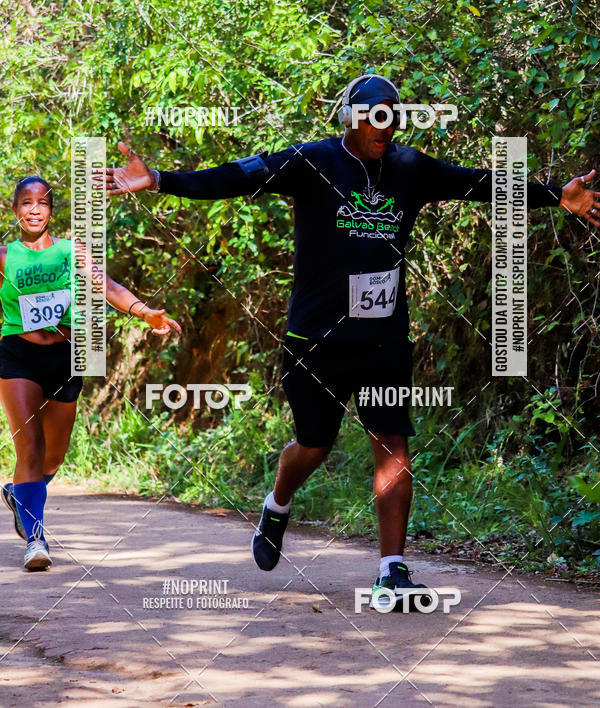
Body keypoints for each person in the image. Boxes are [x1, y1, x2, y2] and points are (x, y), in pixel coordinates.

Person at [99, 74, 599, 610]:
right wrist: (159, 180)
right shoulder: (313, 161)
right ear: (351, 118)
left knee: (392, 445)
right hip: (314, 340)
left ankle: (392, 570)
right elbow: (239, 176)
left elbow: (478, 183)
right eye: (375, 113)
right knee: (313, 445)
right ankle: (277, 503)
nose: (387, 123)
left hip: (382, 339)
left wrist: (556, 196)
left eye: (395, 113)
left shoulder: (409, 169)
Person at [0, 176, 181, 570]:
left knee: (54, 456)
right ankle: (35, 539)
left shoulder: (70, 251)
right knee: (29, 446)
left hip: (65, 357)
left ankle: (21, 493)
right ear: (15, 210)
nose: (34, 209)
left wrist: (144, 311)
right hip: (17, 356)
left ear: (51, 210)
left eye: (42, 203)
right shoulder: (3, 256)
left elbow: (107, 286)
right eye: (26, 202)